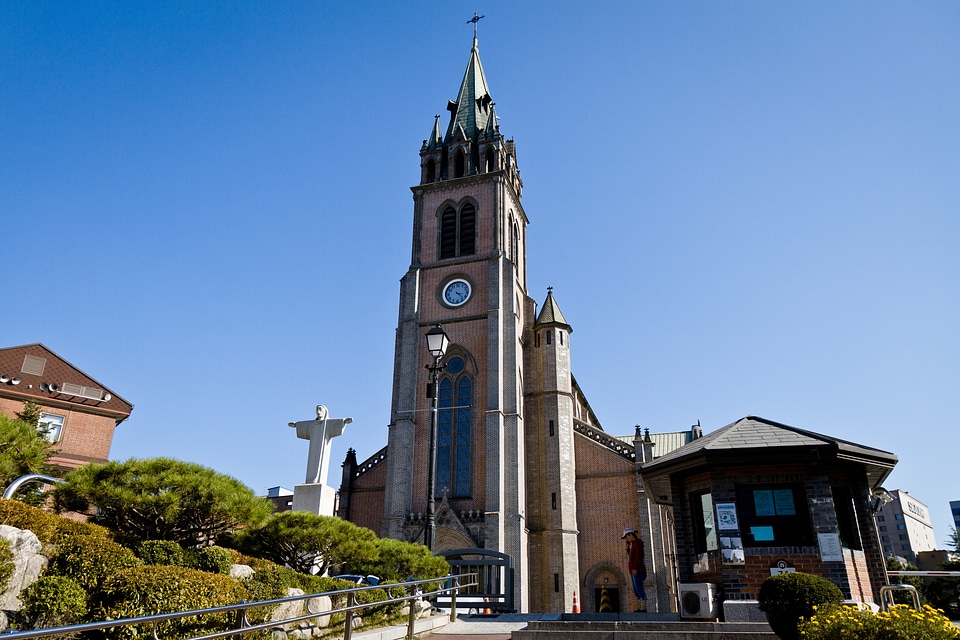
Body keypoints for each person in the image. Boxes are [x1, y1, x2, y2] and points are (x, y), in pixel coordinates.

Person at [621, 527, 647, 612]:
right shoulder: (634, 544)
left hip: (637, 570)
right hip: (633, 570)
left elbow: (638, 557)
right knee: (636, 590)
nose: (626, 539)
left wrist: (635, 568)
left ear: (631, 535)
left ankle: (643, 608)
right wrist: (628, 549)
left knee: (639, 588)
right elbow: (632, 557)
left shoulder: (638, 543)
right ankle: (641, 607)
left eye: (626, 537)